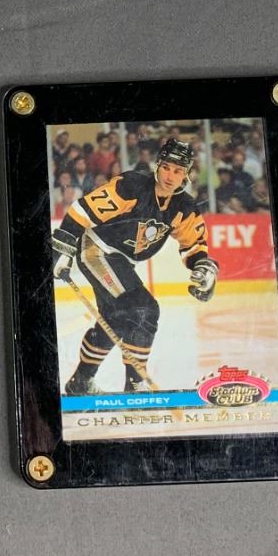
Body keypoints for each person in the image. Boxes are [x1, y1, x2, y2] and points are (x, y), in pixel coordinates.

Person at [52, 137, 219, 396]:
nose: (170, 176)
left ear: (186, 174)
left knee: (116, 320)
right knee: (144, 309)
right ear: (157, 165)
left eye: (178, 171)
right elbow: (82, 210)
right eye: (166, 167)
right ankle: (135, 384)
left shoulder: (185, 206)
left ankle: (80, 383)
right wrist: (63, 247)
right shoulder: (131, 186)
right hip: (97, 250)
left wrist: (204, 267)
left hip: (121, 261)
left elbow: (193, 245)